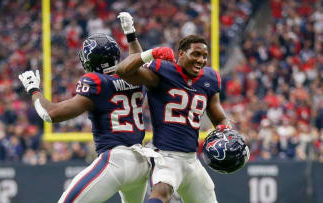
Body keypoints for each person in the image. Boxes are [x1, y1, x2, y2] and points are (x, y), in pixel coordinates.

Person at [18, 12, 171, 203]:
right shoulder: (135, 78)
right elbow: (136, 61)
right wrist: (131, 35)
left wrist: (34, 90)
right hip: (141, 163)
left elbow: (51, 114)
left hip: (116, 161)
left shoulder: (96, 81)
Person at [115, 33, 233, 203]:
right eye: (196, 54)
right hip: (166, 157)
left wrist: (225, 131)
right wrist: (151, 53)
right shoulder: (163, 71)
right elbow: (123, 71)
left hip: (192, 161)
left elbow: (219, 116)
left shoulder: (209, 78)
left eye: (204, 56)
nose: (201, 60)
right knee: (162, 192)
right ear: (182, 54)